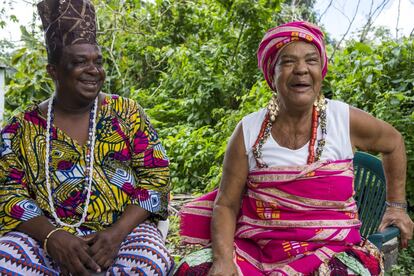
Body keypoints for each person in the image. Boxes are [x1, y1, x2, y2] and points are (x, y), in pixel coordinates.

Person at [175, 21, 414, 275]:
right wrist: (223, 261)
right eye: (288, 62)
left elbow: (393, 143)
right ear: (272, 74)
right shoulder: (248, 130)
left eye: (311, 60)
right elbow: (226, 205)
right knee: (193, 269)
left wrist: (396, 207)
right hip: (257, 251)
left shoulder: (342, 119)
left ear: (320, 70)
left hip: (333, 250)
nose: (301, 69)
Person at [0, 0, 174, 275]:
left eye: (98, 61)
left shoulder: (126, 113)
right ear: (53, 71)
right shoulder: (20, 128)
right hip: (46, 240)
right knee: (5, 261)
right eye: (80, 62)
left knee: (149, 261)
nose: (94, 70)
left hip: (122, 235)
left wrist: (115, 234)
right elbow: (8, 193)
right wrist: (53, 237)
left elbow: (157, 178)